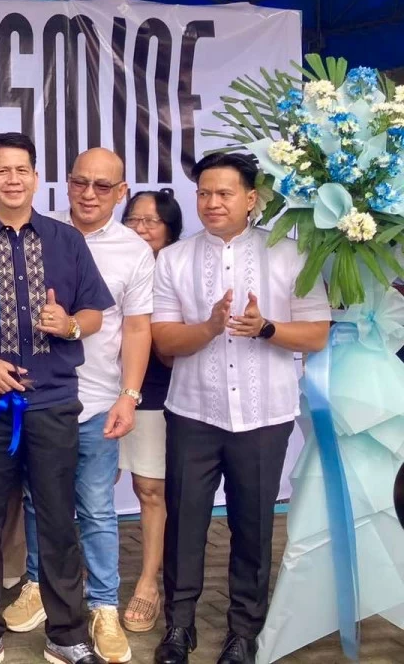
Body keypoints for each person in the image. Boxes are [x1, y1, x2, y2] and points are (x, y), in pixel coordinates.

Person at [151, 153, 329, 664]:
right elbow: (164, 341)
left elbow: (316, 333)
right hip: (193, 413)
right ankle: (179, 628)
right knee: (186, 523)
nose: (211, 203)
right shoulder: (175, 259)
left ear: (251, 199)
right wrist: (208, 327)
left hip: (263, 416)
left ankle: (242, 633)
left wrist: (267, 328)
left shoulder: (290, 256)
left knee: (253, 526)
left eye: (224, 193)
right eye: (204, 193)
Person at [0, 132, 113, 664]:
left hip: (53, 404)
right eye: (2, 171)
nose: (13, 179)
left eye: (23, 170)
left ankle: (67, 635)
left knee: (58, 520)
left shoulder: (66, 241)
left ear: (36, 177)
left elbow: (94, 312)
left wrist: (68, 325)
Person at [7, 149, 154, 664]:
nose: (88, 194)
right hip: (38, 398)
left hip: (95, 401)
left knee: (94, 507)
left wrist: (129, 396)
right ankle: (36, 583)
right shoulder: (37, 235)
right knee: (36, 501)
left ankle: (104, 607)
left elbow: (137, 328)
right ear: (65, 184)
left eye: (101, 185)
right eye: (80, 182)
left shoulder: (134, 250)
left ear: (122, 192)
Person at [117, 189, 183, 635]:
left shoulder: (177, 274)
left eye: (151, 222)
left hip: (153, 392)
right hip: (98, 388)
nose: (140, 230)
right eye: (133, 221)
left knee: (150, 489)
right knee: (90, 485)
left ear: (170, 231)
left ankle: (148, 581)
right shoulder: (107, 259)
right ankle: (83, 578)